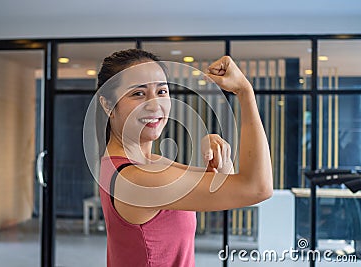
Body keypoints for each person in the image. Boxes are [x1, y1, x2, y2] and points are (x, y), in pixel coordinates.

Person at [95, 48, 273, 267]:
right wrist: (245, 93)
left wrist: (220, 157)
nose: (154, 104)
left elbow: (223, 187)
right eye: (138, 93)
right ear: (108, 105)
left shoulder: (144, 165)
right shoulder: (137, 179)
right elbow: (257, 188)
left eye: (161, 91)